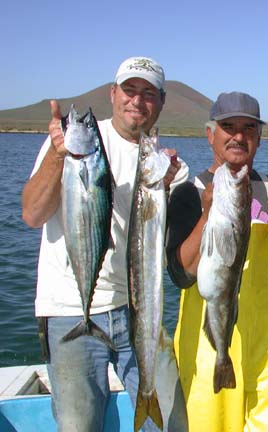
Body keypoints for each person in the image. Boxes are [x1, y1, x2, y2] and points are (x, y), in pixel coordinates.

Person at [21, 56, 188, 431]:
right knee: (78, 425)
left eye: (148, 94)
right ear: (113, 94)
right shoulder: (74, 141)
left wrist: (165, 191)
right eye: (129, 90)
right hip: (68, 311)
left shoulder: (169, 166)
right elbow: (32, 216)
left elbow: (178, 251)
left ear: (161, 102)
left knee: (173, 424)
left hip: (138, 311)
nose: (137, 101)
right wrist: (58, 155)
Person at [166, 91, 268, 431]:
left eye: (248, 128)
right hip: (209, 348)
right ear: (210, 134)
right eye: (228, 126)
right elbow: (180, 274)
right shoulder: (188, 193)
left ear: (259, 137)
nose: (238, 136)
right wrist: (208, 213)